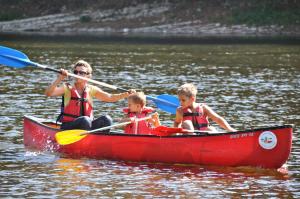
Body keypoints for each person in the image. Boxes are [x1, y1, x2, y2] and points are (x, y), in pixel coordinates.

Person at [45, 60, 134, 131]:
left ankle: (100, 142)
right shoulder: (67, 87)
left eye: (82, 73)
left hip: (87, 126)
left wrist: (126, 94)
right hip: (68, 127)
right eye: (76, 72)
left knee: (107, 119)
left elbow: (110, 98)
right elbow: (49, 93)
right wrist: (59, 79)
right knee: (85, 120)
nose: (78, 74)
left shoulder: (92, 89)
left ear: (88, 76)